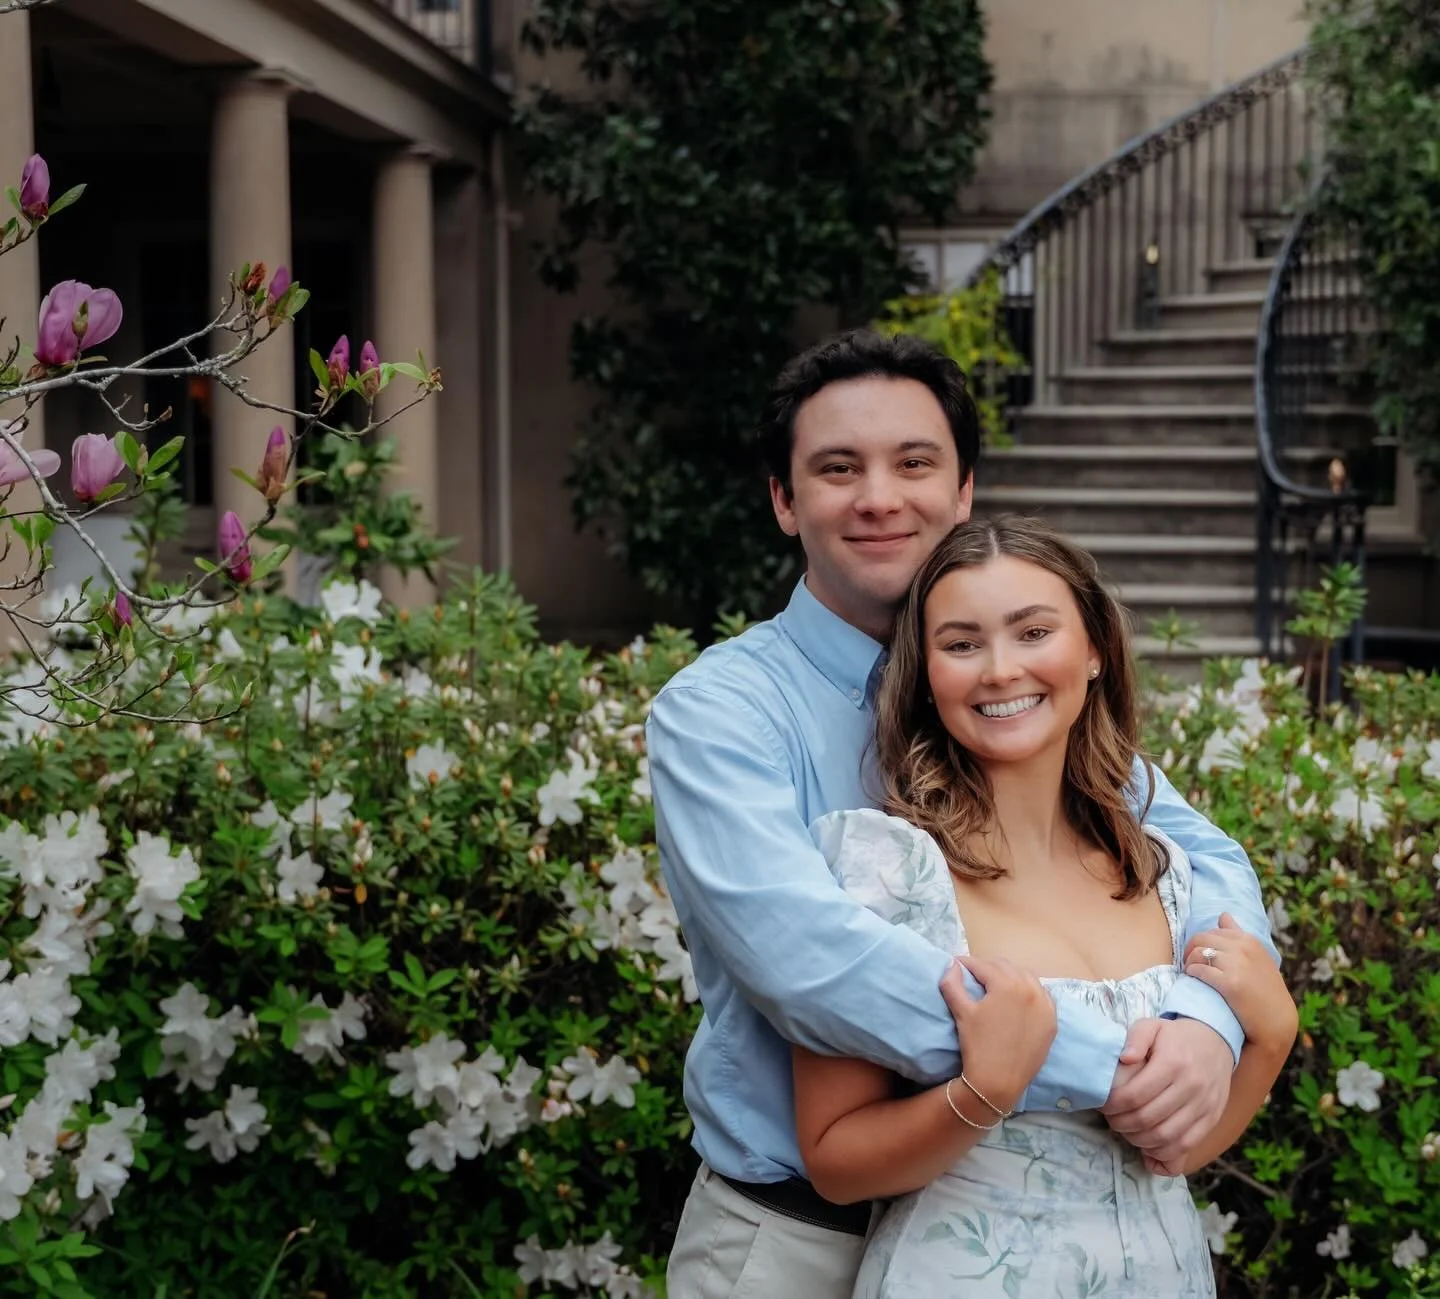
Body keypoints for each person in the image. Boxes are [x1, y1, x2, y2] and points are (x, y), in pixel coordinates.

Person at [647, 330, 1278, 1297]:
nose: (880, 497)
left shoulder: (1014, 700)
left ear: (964, 488)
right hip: (799, 1237)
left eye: (915, 462)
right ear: (784, 499)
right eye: (837, 468)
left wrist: (1207, 1023)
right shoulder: (722, 711)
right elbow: (811, 963)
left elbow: (1196, 855)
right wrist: (1119, 1062)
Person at [792, 517, 1298, 1296]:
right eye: (961, 644)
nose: (1000, 669)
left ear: (1094, 649)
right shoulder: (887, 871)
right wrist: (981, 1093)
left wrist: (1269, 1037)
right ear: (925, 673)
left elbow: (1171, 1154)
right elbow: (834, 1159)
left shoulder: (1163, 867)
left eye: (1033, 631)